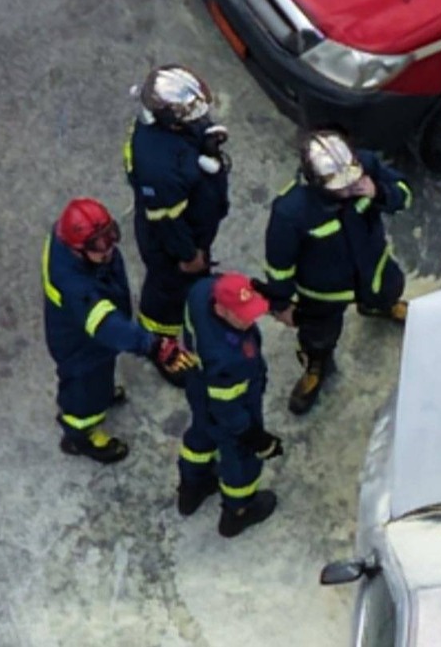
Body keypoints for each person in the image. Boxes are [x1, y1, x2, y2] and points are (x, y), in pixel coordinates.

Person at [260, 131, 411, 415]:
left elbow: (404, 193)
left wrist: (379, 191)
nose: (351, 187)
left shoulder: (365, 167)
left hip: (373, 270)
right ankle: (317, 366)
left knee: (390, 289)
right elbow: (279, 267)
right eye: (341, 186)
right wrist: (280, 305)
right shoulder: (290, 212)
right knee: (318, 336)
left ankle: (381, 307)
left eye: (353, 179)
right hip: (322, 294)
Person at [122, 65, 231, 386]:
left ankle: (195, 289)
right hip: (172, 243)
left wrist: (205, 147)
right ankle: (160, 340)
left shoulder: (170, 129)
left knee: (191, 279)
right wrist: (187, 254)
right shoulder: (157, 168)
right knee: (166, 288)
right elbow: (167, 220)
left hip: (193, 224)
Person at [41, 197, 160, 464]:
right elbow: (108, 326)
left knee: (101, 376)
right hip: (81, 348)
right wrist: (150, 345)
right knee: (84, 393)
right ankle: (79, 435)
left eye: (110, 236)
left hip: (95, 343)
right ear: (77, 249)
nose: (108, 248)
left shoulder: (66, 239)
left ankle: (101, 395)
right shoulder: (74, 285)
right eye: (98, 244)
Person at [170, 272, 282, 537]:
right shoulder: (228, 359)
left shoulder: (201, 292)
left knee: (201, 432)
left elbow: (220, 282)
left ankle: (191, 489)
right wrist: (256, 437)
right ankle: (239, 511)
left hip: (198, 385)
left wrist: (254, 290)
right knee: (239, 456)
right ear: (220, 309)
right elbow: (229, 412)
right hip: (233, 400)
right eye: (242, 315)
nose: (250, 320)